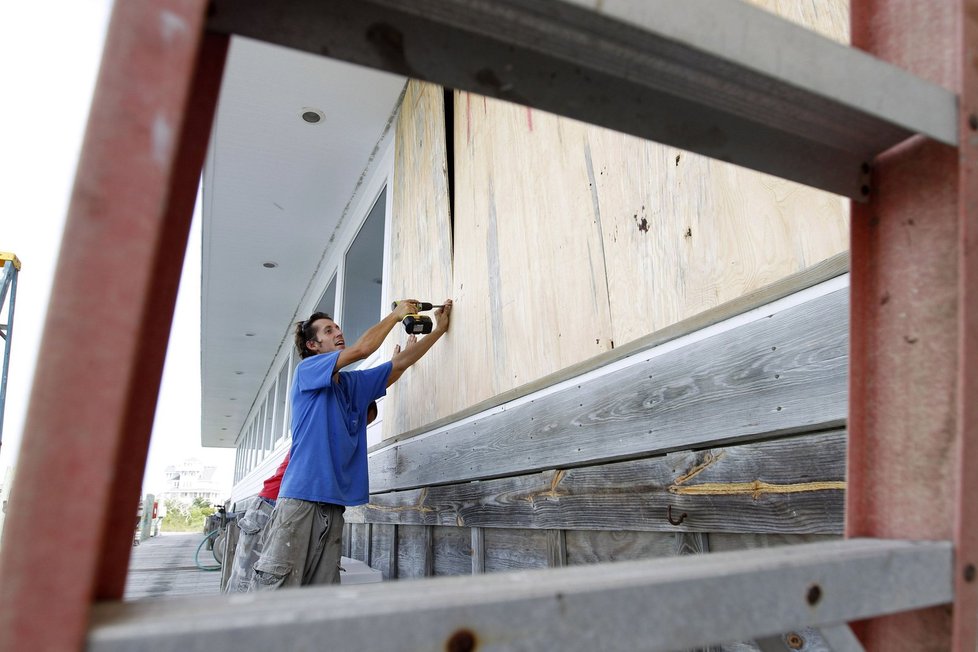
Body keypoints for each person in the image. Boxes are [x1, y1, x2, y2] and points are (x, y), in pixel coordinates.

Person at [250, 299, 452, 589]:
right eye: (328, 330)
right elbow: (362, 350)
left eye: (338, 328)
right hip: (300, 500)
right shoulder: (307, 372)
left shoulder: (351, 385)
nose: (337, 332)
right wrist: (395, 316)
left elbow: (400, 364)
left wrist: (439, 330)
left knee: (323, 590)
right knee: (277, 588)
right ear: (313, 346)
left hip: (334, 506)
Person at [223, 402, 377, 593]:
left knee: (283, 586)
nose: (360, 430)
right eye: (360, 423)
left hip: (301, 510)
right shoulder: (322, 429)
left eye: (365, 426)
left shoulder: (344, 441)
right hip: (271, 506)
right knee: (248, 586)